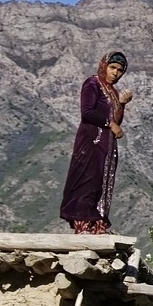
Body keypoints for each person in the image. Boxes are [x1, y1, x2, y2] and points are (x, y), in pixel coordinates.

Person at [59, 51, 134, 234]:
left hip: (105, 148)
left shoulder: (113, 92)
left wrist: (122, 104)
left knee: (100, 184)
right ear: (104, 66)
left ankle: (96, 226)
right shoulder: (92, 84)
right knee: (87, 181)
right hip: (91, 142)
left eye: (120, 70)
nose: (115, 73)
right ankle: (83, 226)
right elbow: (86, 112)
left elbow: (116, 120)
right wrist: (110, 125)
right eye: (113, 68)